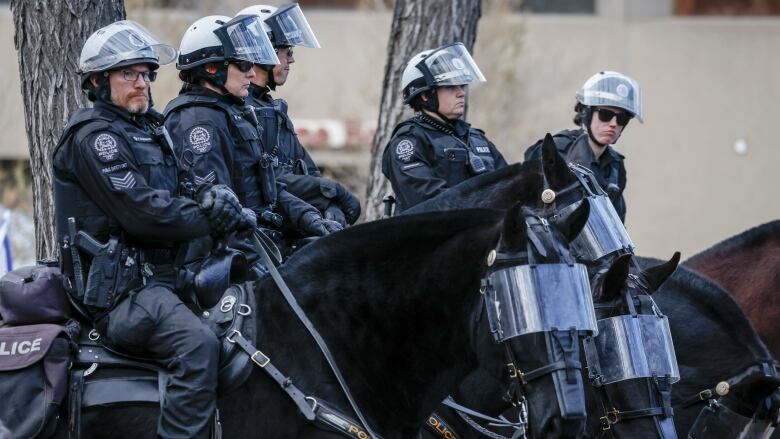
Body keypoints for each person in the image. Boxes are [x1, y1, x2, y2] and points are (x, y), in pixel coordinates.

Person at [52, 20, 255, 438]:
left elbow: (186, 186)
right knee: (198, 345)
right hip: (121, 296)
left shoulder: (151, 130)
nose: (142, 83)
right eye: (129, 74)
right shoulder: (94, 138)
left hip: (168, 279)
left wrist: (218, 200)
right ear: (97, 80)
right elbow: (140, 211)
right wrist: (207, 215)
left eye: (146, 74)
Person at [164, 15, 341, 248]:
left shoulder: (230, 113)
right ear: (211, 67)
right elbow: (218, 209)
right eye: (244, 64)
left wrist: (310, 218)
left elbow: (266, 187)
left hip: (259, 239)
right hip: (227, 254)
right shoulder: (198, 121)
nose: (251, 73)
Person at [236, 4, 361, 227]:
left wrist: (329, 206)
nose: (291, 59)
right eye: (286, 51)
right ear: (262, 52)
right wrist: (331, 191)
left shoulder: (272, 109)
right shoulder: (238, 111)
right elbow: (267, 179)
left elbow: (307, 169)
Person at [381, 42, 507, 213]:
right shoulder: (409, 141)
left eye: (461, 86)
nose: (461, 93)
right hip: (431, 237)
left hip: (486, 234)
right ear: (425, 95)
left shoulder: (476, 138)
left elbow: (509, 185)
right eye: (450, 87)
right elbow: (430, 201)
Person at [524, 71, 643, 223]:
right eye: (605, 114)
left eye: (622, 118)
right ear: (585, 113)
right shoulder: (555, 151)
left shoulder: (615, 166)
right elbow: (528, 209)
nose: (613, 123)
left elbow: (616, 224)